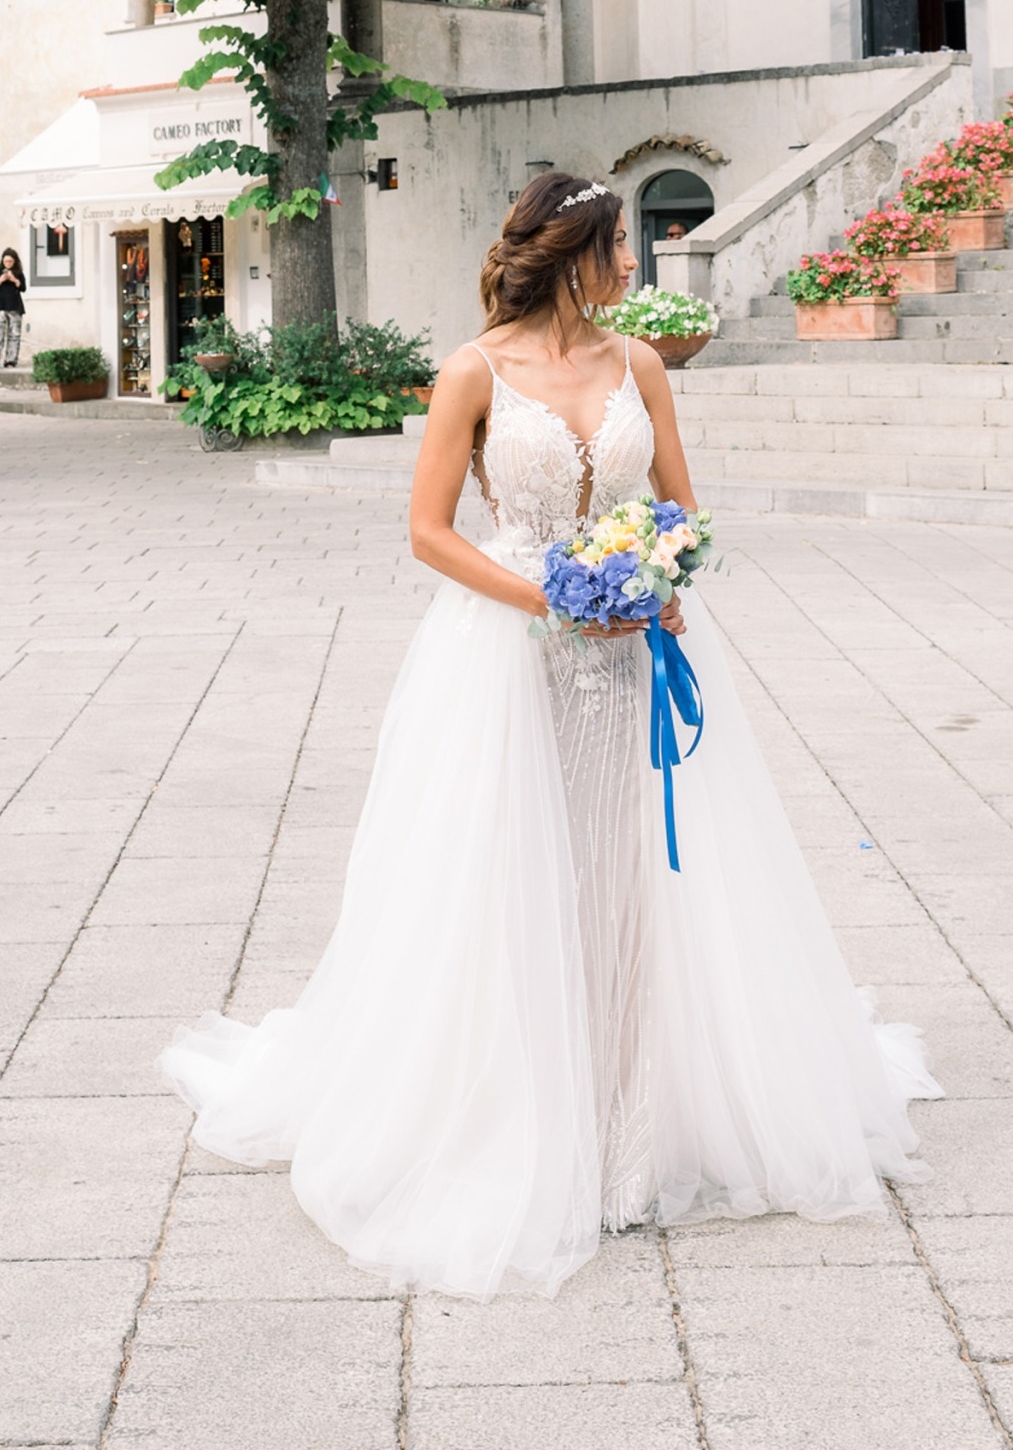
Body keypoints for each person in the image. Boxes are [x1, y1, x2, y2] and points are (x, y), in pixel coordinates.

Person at [161, 173, 939, 1300]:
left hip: (633, 654)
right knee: (517, 879)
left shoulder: (640, 367)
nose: (634, 265)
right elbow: (428, 532)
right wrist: (549, 598)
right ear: (574, 252)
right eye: (621, 246)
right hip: (508, 659)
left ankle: (627, 1135)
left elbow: (682, 508)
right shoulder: (471, 373)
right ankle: (517, 1121)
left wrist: (663, 570)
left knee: (633, 882)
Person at [0, 249, 26, 369]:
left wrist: (14, 280)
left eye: (10, 261)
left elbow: (23, 288)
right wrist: (0, 280)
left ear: (14, 261)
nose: (8, 264)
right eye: (6, 261)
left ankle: (11, 360)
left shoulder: (18, 272)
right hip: (0, 306)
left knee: (14, 335)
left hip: (14, 307)